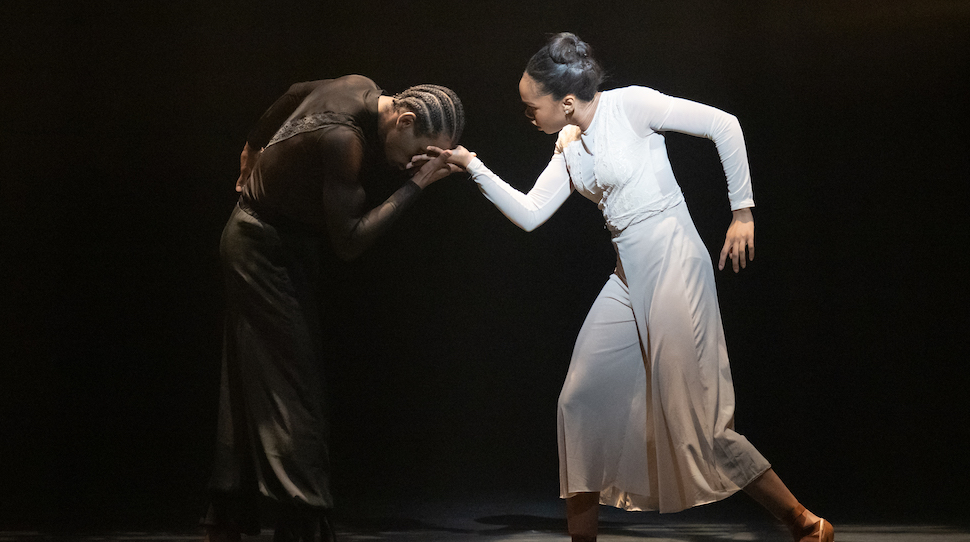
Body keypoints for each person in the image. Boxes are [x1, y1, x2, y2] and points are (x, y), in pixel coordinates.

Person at [433, 33, 833, 542]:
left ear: (567, 101)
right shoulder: (569, 143)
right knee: (579, 399)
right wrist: (473, 167)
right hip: (628, 276)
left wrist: (742, 211)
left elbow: (723, 125)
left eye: (531, 105)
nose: (527, 114)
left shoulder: (632, 105)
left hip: (673, 264)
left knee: (697, 421)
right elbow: (532, 214)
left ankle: (804, 523)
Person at [203, 75, 465, 542]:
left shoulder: (358, 84)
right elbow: (349, 241)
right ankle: (301, 523)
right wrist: (418, 185)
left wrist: (252, 145)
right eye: (420, 150)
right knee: (293, 389)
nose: (414, 161)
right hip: (260, 249)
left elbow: (293, 90)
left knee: (254, 379)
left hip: (267, 240)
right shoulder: (346, 141)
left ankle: (228, 515)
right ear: (404, 120)